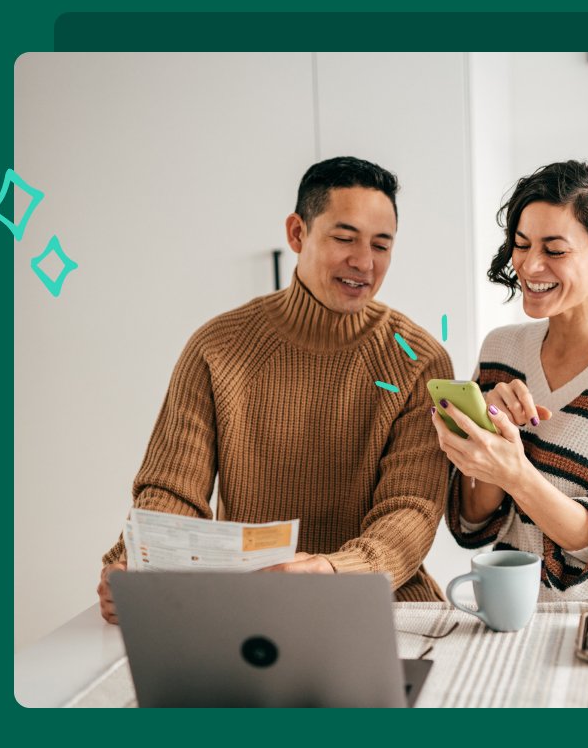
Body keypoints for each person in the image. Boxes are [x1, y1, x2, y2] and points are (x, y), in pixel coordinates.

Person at [98, 156, 454, 623]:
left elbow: (411, 510)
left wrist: (333, 570)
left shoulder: (419, 359)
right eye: (344, 238)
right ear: (297, 233)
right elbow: (172, 491)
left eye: (381, 245)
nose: (364, 262)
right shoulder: (217, 347)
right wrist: (136, 561)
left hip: (383, 607)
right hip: (250, 608)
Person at [431, 160, 588, 611]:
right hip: (520, 613)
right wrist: (491, 440)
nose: (529, 265)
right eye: (521, 244)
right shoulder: (503, 349)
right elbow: (471, 525)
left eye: (555, 250)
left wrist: (517, 473)